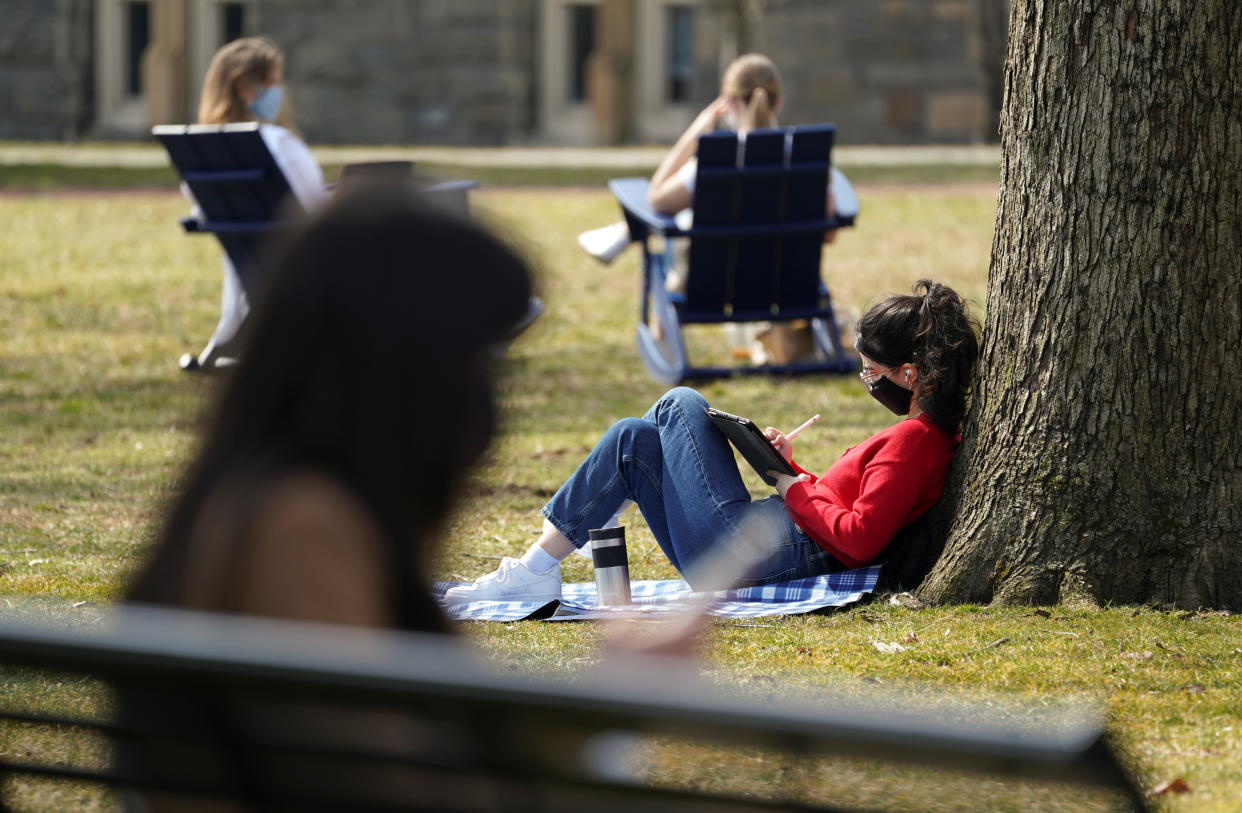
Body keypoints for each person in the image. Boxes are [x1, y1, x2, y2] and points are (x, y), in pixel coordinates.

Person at [128, 183, 532, 630]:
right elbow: (361, 698)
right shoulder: (304, 528)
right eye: (472, 358)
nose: (488, 392)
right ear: (402, 364)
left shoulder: (335, 500)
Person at [445, 280, 978, 605]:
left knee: (680, 401)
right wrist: (795, 472)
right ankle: (537, 568)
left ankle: (546, 560)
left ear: (908, 374)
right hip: (762, 542)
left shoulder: (914, 442)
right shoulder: (921, 437)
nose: (866, 382)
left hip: (761, 553)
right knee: (632, 439)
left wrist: (791, 487)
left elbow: (860, 537)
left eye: (870, 372)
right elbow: (852, 508)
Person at [183, 36, 328, 371]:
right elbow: (317, 208)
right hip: (308, 274)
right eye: (274, 82)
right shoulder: (281, 145)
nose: (280, 92)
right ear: (248, 88)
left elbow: (202, 209)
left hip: (244, 298)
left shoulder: (201, 152)